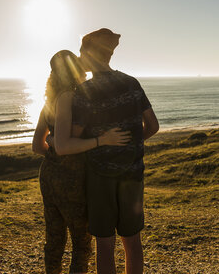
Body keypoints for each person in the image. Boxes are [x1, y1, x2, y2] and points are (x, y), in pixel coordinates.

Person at [32, 50, 131, 274]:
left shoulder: (48, 101)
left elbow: (37, 146)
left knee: (54, 238)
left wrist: (53, 146)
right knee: (81, 243)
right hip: (72, 179)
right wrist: (100, 140)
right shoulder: (69, 97)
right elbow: (67, 145)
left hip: (48, 175)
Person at [71, 28, 159, 274]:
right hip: (133, 174)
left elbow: (75, 136)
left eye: (81, 52)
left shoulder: (85, 91)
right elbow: (153, 126)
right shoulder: (131, 82)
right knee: (132, 241)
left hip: (100, 176)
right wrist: (132, 142)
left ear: (90, 53)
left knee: (105, 244)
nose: (78, 58)